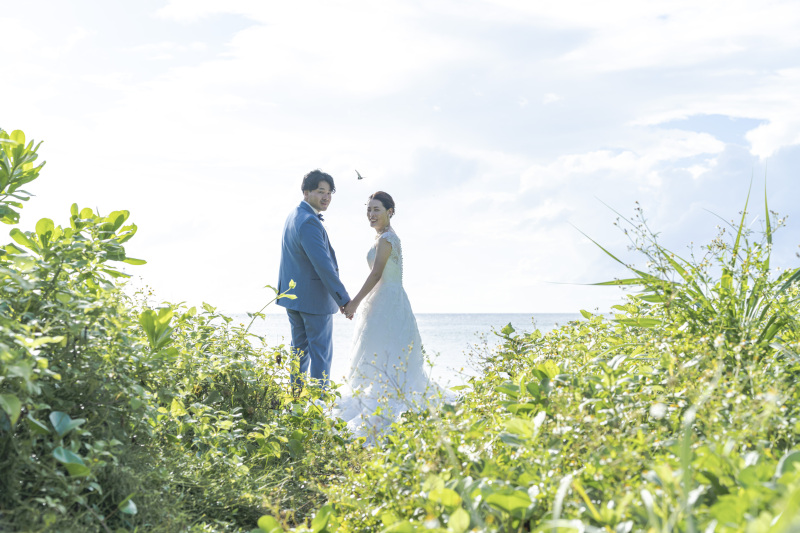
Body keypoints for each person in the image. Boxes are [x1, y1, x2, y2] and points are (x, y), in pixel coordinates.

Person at [336, 191, 443, 441]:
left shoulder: (387, 239)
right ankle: (386, 408)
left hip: (387, 303)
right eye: (369, 210)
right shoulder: (384, 238)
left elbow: (376, 275)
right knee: (380, 358)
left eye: (376, 210)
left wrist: (353, 303)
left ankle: (387, 413)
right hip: (387, 301)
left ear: (390, 212)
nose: (371, 215)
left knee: (384, 358)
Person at [277, 170, 350, 392]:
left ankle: (296, 401)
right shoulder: (308, 221)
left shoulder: (294, 215)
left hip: (294, 299)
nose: (326, 197)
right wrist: (343, 299)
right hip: (314, 301)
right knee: (321, 355)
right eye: (321, 192)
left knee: (298, 353)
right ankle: (318, 405)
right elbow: (323, 265)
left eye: (329, 193)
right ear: (306, 192)